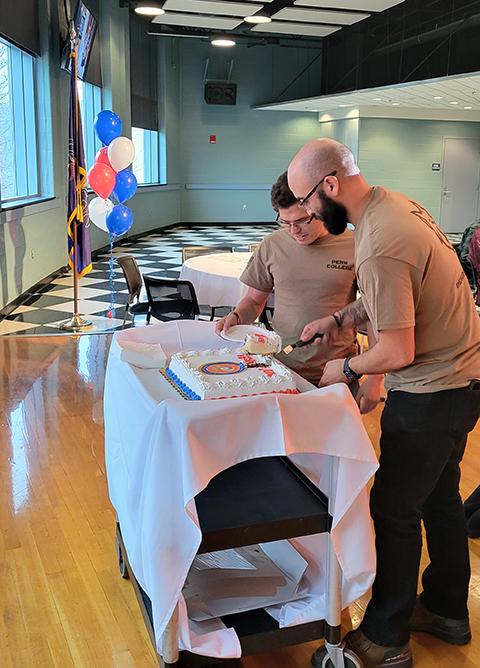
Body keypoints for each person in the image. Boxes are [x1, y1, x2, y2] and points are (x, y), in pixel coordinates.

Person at [288, 138, 480, 668]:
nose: (304, 212)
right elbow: (385, 298)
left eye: (305, 201)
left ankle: (387, 639)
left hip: (434, 392)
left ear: (330, 186)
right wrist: (338, 320)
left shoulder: (380, 239)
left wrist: (345, 368)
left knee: (393, 509)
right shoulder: (391, 205)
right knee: (438, 498)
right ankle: (445, 609)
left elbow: (398, 348)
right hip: (463, 382)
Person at [215, 172, 383, 409]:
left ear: (320, 207)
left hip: (337, 373)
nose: (294, 231)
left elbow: (374, 313)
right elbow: (254, 301)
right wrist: (236, 317)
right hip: (279, 368)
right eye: (286, 222)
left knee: (330, 443)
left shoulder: (356, 245)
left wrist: (375, 378)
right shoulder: (272, 245)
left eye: (302, 220)